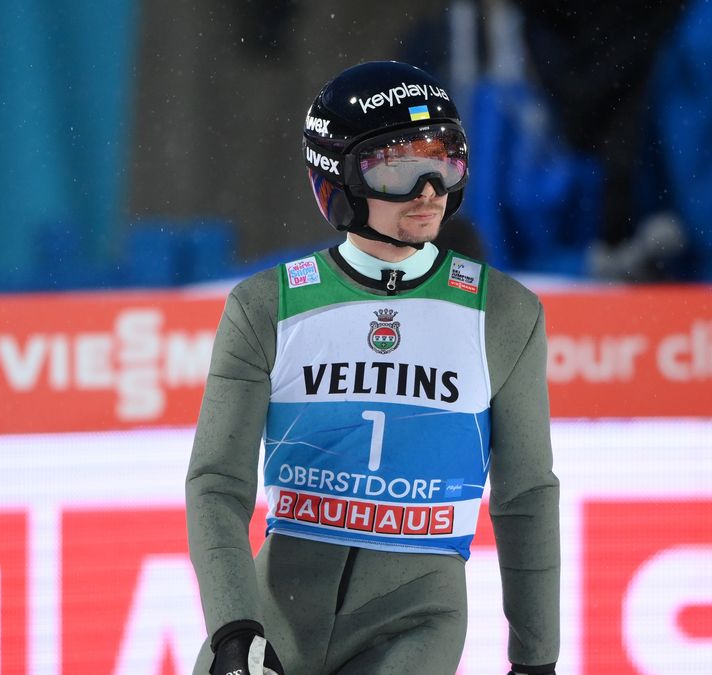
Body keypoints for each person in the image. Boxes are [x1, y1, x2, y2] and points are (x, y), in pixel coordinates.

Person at [186, 60, 560, 675]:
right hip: (273, 617)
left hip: (416, 624)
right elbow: (216, 484)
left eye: (445, 160)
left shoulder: (505, 314)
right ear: (339, 180)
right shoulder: (265, 306)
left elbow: (525, 498)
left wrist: (536, 661)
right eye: (401, 167)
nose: (430, 190)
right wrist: (235, 629)